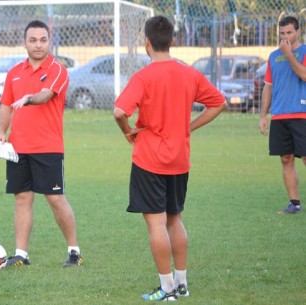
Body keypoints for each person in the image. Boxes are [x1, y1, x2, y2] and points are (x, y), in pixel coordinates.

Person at [113, 16, 226, 301]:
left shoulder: (143, 77)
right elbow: (219, 103)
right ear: (173, 41)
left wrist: (128, 132)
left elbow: (119, 112)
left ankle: (167, 288)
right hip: (179, 159)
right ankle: (182, 283)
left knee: (156, 224)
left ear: (146, 43)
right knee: (174, 220)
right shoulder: (189, 74)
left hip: (149, 159)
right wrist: (188, 127)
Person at [0, 20, 83, 268]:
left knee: (55, 199)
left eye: (43, 40)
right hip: (17, 147)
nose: (38, 44)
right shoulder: (14, 72)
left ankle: (74, 252)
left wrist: (29, 99)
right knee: (22, 198)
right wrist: (2, 131)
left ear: (49, 41)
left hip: (48, 147)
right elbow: (5, 105)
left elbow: (46, 95)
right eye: (33, 40)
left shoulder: (58, 70)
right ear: (25, 42)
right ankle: (21, 254)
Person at [259, 15, 306, 214]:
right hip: (279, 116)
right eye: (282, 33)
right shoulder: (273, 56)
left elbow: (303, 74)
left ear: (298, 31)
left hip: (302, 114)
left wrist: (289, 54)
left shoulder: (303, 51)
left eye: (289, 32)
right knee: (286, 159)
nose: (285, 36)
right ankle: (294, 203)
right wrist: (263, 115)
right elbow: (268, 87)